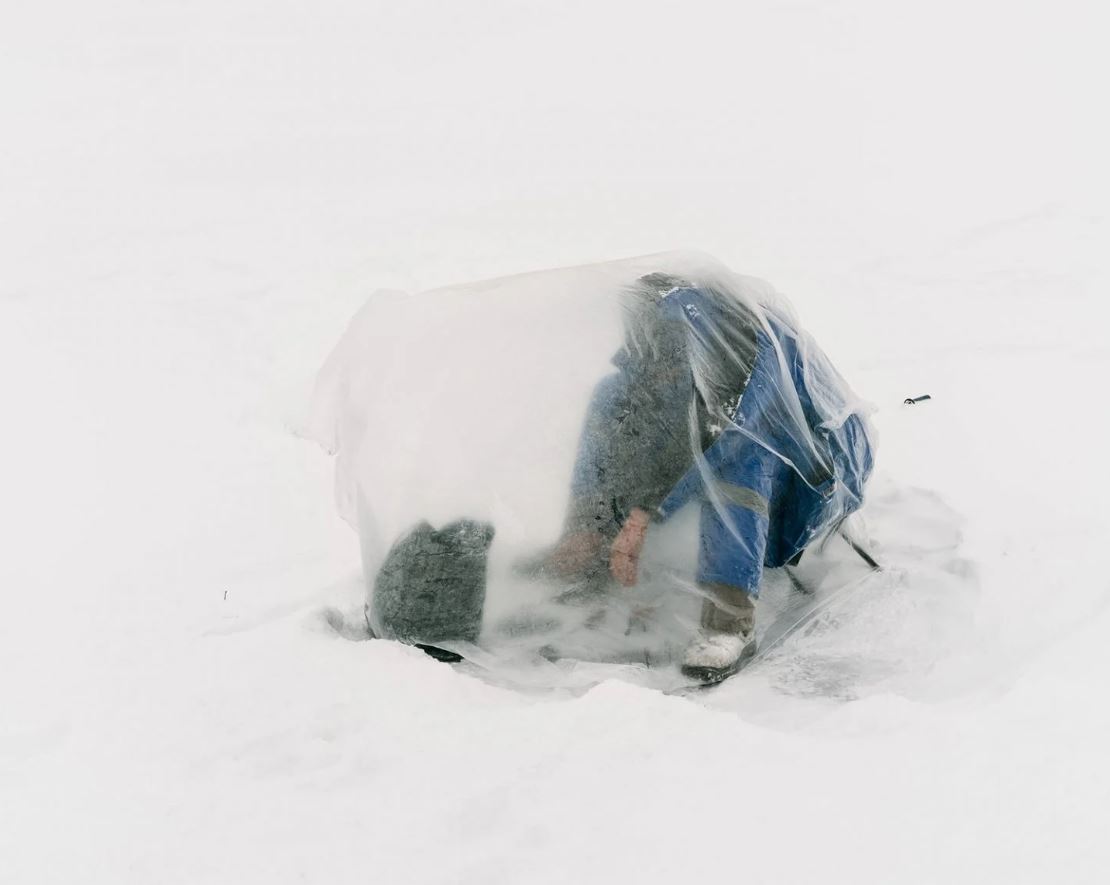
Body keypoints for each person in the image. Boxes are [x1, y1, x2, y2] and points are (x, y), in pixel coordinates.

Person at [538, 272, 875, 682]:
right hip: (731, 432)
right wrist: (596, 517)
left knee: (740, 460)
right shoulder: (672, 333)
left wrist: (646, 514)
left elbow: (726, 438)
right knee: (613, 395)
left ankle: (729, 618)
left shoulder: (744, 347)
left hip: (819, 467)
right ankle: (586, 542)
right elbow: (652, 398)